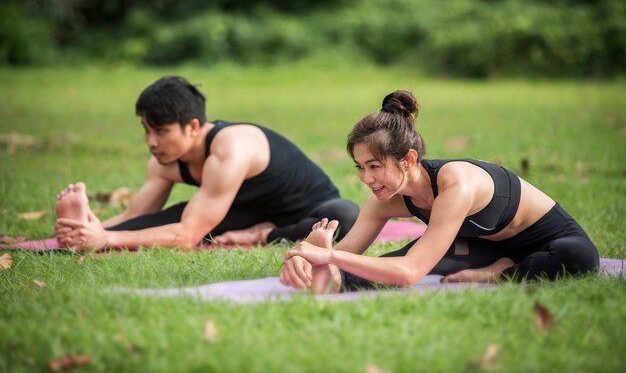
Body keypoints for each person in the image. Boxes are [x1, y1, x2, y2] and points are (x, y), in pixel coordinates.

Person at [280, 90, 599, 293]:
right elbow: (350, 254)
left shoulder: (456, 185)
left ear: (409, 160)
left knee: (578, 257)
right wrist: (303, 257)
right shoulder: (384, 200)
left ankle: (502, 274)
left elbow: (409, 274)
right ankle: (332, 287)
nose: (366, 177)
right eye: (360, 167)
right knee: (389, 264)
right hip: (478, 246)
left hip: (548, 241)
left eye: (374, 166)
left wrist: (329, 254)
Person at [54, 76, 359, 251]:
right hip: (246, 211)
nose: (151, 143)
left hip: (308, 212)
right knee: (164, 221)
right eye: (147, 131)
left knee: (347, 216)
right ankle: (82, 227)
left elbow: (188, 236)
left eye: (161, 132)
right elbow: (138, 214)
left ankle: (262, 235)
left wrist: (106, 240)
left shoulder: (230, 150)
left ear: (192, 127)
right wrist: (92, 228)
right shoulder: (161, 162)